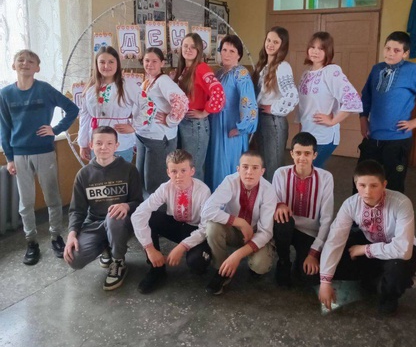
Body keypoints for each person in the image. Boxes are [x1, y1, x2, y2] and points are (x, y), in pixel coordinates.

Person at [0, 49, 79, 265]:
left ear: (37, 68)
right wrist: (9, 158)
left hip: (45, 152)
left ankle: (56, 237)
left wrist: (56, 129)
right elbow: (4, 128)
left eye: (31, 61)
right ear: (13, 65)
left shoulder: (44, 89)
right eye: (21, 60)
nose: (25, 63)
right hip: (19, 154)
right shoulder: (5, 94)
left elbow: (72, 109)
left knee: (52, 198)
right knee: (25, 203)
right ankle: (31, 242)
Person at [319, 160, 416, 316]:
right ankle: (373, 279)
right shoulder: (350, 204)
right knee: (326, 261)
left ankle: (389, 295)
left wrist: (364, 250)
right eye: (362, 185)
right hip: (370, 244)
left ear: (384, 184)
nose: (367, 191)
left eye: (374, 185)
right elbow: (335, 240)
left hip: (396, 253)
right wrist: (325, 282)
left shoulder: (401, 203)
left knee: (397, 270)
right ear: (356, 184)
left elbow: (403, 250)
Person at [357, 31, 416, 192]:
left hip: (397, 140)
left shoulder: (413, 71)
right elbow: (366, 96)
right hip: (372, 137)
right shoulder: (376, 69)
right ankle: (362, 210)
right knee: (362, 180)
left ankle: (388, 210)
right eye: (387, 48)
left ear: (405, 53)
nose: (390, 53)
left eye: (396, 50)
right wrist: (363, 119)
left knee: (393, 185)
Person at [64, 126, 143, 291]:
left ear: (116, 146)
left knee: (113, 217)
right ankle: (106, 247)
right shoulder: (83, 174)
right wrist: (71, 235)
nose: (104, 147)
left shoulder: (129, 169)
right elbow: (77, 210)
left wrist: (126, 205)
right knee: (74, 259)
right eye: (99, 143)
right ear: (91, 145)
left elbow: (138, 202)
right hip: (95, 223)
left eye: (109, 143)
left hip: (121, 223)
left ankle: (118, 261)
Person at [131, 149, 212, 294]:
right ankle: (157, 269)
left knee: (197, 263)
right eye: (174, 171)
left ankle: (201, 261)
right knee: (151, 217)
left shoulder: (203, 191)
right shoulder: (165, 188)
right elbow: (138, 214)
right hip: (176, 225)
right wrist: (149, 248)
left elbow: (206, 227)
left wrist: (181, 247)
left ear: (192, 171)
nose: (178, 176)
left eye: (183, 170)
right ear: (168, 172)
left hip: (195, 229)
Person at [202, 151, 277, 295]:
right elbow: (207, 210)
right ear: (238, 169)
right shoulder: (230, 181)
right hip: (233, 229)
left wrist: (237, 256)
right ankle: (222, 270)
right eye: (245, 167)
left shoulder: (268, 190)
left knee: (260, 265)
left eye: (255, 168)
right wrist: (240, 222)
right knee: (212, 227)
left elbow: (266, 232)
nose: (249, 172)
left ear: (262, 171)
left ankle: (248, 264)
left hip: (255, 233)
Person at [272, 132, 334, 287]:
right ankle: (284, 261)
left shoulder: (326, 178)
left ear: (315, 155)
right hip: (284, 228)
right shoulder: (280, 173)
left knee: (310, 278)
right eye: (298, 153)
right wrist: (279, 204)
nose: (302, 158)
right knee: (282, 220)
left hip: (309, 232)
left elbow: (327, 219)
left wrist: (314, 253)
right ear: (292, 154)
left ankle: (300, 262)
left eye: (307, 153)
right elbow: (271, 203)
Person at [297, 31, 362, 168]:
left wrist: (333, 121)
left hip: (323, 135)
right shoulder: (306, 74)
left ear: (328, 51)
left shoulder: (331, 71)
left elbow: (353, 100)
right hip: (306, 133)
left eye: (321, 48)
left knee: (309, 170)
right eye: (312, 47)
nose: (315, 51)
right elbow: (303, 106)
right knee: (308, 172)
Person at [205, 34, 258, 191]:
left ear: (239, 55)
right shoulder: (219, 73)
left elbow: (248, 100)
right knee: (214, 164)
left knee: (227, 166)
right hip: (216, 125)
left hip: (231, 126)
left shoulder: (241, 74)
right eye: (224, 50)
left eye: (232, 51)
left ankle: (229, 203)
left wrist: (242, 127)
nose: (227, 54)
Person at [135, 47, 189, 195]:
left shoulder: (163, 81)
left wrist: (170, 120)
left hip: (159, 138)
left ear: (162, 63)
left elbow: (182, 101)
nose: (150, 64)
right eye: (147, 60)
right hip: (144, 135)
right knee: (142, 181)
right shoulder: (148, 81)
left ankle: (160, 210)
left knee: (155, 185)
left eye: (154, 61)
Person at [174, 33, 225, 182]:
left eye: (192, 47)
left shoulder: (201, 68)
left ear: (199, 50)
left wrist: (205, 112)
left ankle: (198, 197)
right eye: (185, 46)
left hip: (195, 125)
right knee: (185, 167)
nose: (188, 50)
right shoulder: (184, 69)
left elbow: (218, 92)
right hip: (184, 123)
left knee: (193, 169)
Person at [78, 46, 140, 164]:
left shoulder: (127, 85)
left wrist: (134, 126)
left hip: (121, 143)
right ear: (96, 64)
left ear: (117, 63)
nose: (106, 66)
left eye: (111, 62)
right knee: (98, 174)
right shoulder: (90, 88)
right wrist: (83, 143)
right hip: (97, 143)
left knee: (120, 174)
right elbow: (85, 117)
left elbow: (148, 106)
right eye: (102, 62)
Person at [252, 27, 298, 182]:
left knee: (273, 167)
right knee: (264, 165)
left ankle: (275, 197)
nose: (270, 44)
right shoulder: (264, 65)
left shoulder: (282, 66)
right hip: (263, 120)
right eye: (268, 40)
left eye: (275, 42)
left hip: (273, 121)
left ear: (282, 45)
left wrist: (273, 108)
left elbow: (292, 96)